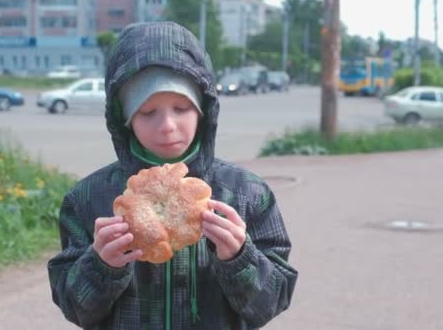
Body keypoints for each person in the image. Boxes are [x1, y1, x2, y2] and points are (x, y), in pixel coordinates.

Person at [48, 21, 297, 329]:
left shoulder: (247, 194)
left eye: (181, 107)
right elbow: (75, 309)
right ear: (123, 119)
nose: (167, 125)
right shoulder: (87, 200)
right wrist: (101, 266)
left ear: (204, 110)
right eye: (147, 112)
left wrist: (239, 258)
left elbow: (272, 302)